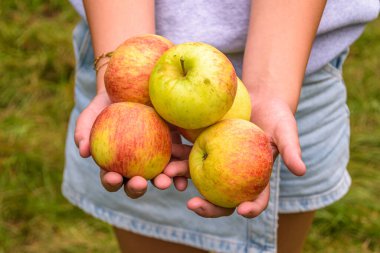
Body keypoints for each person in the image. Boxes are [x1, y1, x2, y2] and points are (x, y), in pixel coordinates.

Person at [63, 1, 379, 252]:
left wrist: (272, 90)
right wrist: (121, 73)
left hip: (296, 63)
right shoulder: (133, 101)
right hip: (130, 61)